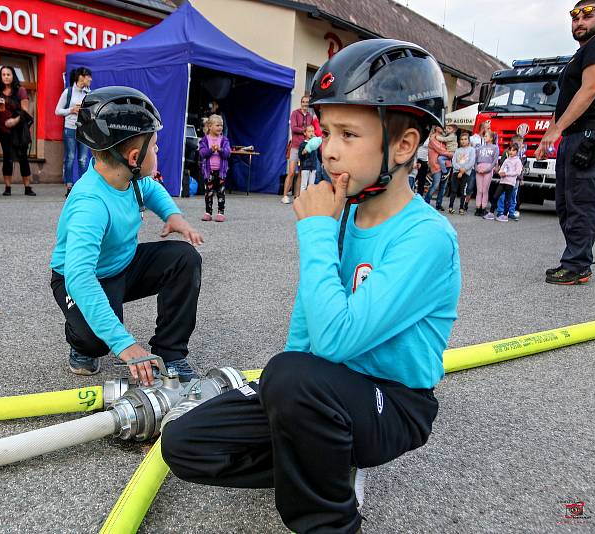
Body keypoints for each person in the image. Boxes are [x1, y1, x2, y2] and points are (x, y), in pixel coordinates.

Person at [162, 39, 461, 534]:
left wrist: (317, 232)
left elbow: (336, 340)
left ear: (404, 145)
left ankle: (330, 521)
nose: (329, 148)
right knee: (186, 443)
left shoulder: (426, 237)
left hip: (392, 402)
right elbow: (308, 321)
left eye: (348, 133)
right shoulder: (341, 216)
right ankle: (322, 459)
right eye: (326, 131)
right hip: (323, 388)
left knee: (291, 376)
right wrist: (277, 398)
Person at [49, 86, 204, 384]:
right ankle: (79, 340)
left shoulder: (129, 179)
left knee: (184, 259)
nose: (157, 150)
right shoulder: (90, 205)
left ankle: (171, 352)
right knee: (98, 340)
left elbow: (152, 189)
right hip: (77, 277)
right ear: (134, 157)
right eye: (155, 146)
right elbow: (80, 277)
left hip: (123, 265)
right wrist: (126, 345)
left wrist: (174, 217)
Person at [536, 0, 595, 285]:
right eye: (574, 16)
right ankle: (576, 259)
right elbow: (563, 103)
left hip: (588, 134)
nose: (580, 20)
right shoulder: (577, 56)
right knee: (565, 202)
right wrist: (548, 135)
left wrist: (558, 129)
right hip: (572, 136)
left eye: (588, 14)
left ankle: (577, 265)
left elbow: (591, 89)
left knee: (582, 201)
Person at [0, 66, 33, 196]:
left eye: (8, 74)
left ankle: (27, 187)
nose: (6, 77)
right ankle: (7, 187)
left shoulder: (20, 90)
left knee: (22, 157)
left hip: (19, 130)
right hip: (3, 130)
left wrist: (14, 121)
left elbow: (25, 111)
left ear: (13, 76)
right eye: (3, 74)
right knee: (7, 158)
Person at [55, 67, 92, 197]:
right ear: (81, 77)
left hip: (84, 130)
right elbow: (58, 111)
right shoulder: (68, 92)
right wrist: (71, 110)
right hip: (70, 129)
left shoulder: (88, 93)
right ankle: (69, 187)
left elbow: (92, 112)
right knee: (70, 158)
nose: (90, 79)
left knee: (83, 159)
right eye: (88, 76)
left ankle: (83, 187)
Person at [281, 94, 314, 203]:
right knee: (291, 172)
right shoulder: (295, 113)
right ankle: (285, 195)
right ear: (301, 102)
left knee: (301, 172)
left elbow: (311, 130)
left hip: (305, 146)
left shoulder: (310, 116)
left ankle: (297, 196)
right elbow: (294, 128)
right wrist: (305, 130)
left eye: (307, 102)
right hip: (295, 146)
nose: (305, 104)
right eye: (304, 102)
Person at [199, 114, 231, 222]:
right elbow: (202, 153)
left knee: (221, 192)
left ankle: (220, 212)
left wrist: (221, 150)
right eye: (217, 125)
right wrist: (211, 150)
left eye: (221, 125)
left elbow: (227, 153)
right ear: (210, 126)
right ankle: (208, 212)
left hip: (221, 172)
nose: (220, 128)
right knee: (209, 192)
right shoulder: (204, 140)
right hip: (209, 172)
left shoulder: (224, 140)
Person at [485, 144, 523, 222]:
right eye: (510, 150)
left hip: (510, 182)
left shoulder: (518, 161)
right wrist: (500, 173)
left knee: (507, 199)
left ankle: (505, 215)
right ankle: (491, 213)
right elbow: (502, 169)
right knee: (495, 196)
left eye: (513, 150)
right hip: (502, 181)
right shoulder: (507, 160)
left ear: (516, 152)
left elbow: (518, 172)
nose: (511, 152)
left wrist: (507, 174)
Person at [497, 134, 525, 218]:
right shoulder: (506, 152)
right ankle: (500, 211)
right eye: (519, 143)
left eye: (521, 143)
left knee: (513, 196)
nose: (521, 145)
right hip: (506, 179)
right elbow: (502, 164)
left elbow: (520, 168)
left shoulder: (521, 154)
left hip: (515, 180)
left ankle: (511, 211)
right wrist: (502, 173)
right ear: (512, 143)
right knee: (503, 195)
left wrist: (521, 179)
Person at [426, 126, 453, 210]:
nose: (442, 127)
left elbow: (451, 146)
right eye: (440, 126)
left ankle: (438, 204)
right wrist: (451, 154)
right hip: (436, 165)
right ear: (435, 127)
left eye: (443, 126)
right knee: (435, 184)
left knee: (443, 186)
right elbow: (440, 149)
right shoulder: (433, 137)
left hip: (446, 164)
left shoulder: (445, 137)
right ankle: (426, 202)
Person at [448, 133, 476, 214]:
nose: (463, 141)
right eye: (462, 139)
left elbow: (471, 161)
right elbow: (453, 161)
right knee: (453, 189)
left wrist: (464, 170)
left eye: (465, 139)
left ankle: (461, 208)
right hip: (456, 172)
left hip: (466, 173)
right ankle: (450, 207)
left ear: (468, 141)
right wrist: (459, 169)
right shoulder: (457, 150)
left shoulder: (472, 150)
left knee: (463, 190)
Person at [474, 130, 500, 216]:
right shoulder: (479, 148)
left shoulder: (495, 148)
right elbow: (475, 159)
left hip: (488, 170)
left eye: (486, 136)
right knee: (479, 190)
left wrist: (488, 169)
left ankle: (483, 208)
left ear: (491, 138)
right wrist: (476, 168)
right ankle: (478, 208)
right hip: (479, 169)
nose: (484, 137)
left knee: (485, 190)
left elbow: (495, 160)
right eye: (484, 136)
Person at [298, 124, 319, 193]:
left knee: (311, 186)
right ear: (305, 133)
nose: (311, 133)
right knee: (304, 185)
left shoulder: (315, 143)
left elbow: (318, 153)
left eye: (313, 131)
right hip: (305, 167)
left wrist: (322, 161)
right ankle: (302, 201)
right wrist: (303, 153)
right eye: (309, 131)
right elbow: (300, 156)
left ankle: (309, 201)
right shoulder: (303, 144)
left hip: (313, 167)